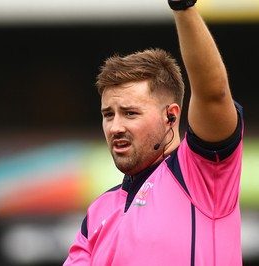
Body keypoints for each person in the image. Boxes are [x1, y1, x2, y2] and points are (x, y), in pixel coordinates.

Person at [64, 0, 243, 265]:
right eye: (108, 115)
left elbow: (214, 93)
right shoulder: (97, 213)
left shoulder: (201, 173)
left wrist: (184, 8)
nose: (115, 127)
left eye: (130, 113)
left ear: (171, 115)